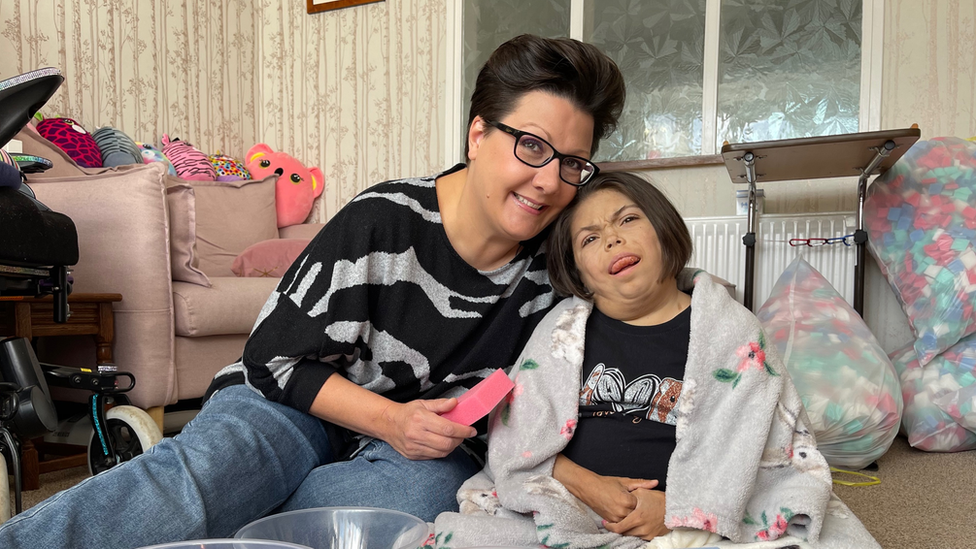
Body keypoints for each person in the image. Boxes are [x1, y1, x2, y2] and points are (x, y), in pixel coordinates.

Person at [0, 34, 625, 548]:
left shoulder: (556, 266)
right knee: (215, 473)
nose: (550, 181)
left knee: (421, 504)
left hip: (420, 452)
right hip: (291, 403)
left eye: (573, 163)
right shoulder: (385, 218)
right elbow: (272, 361)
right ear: (478, 135)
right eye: (532, 146)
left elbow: (653, 286)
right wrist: (390, 420)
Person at [433, 172, 852, 548]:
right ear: (579, 274)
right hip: (570, 500)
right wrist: (589, 485)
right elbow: (517, 440)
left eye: (628, 220)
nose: (612, 239)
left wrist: (676, 510)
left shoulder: (735, 333)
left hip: (683, 517)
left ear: (664, 231)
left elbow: (765, 449)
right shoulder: (559, 332)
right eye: (590, 238)